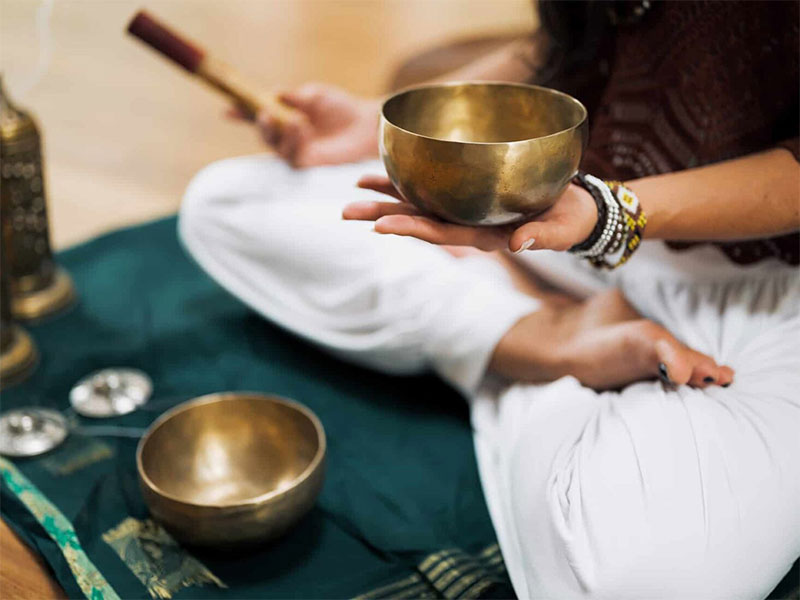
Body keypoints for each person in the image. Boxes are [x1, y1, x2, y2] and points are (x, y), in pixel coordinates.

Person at [179, 1, 800, 597]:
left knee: (628, 584)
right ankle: (541, 337)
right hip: (567, 215)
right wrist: (376, 127)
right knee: (225, 204)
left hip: (758, 284)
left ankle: (508, 341)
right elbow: (569, 42)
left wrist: (610, 214)